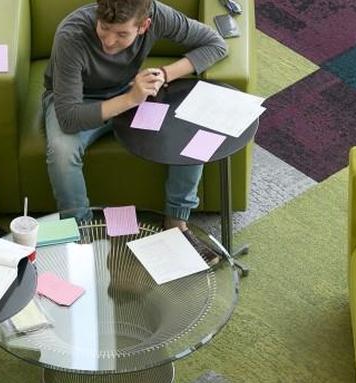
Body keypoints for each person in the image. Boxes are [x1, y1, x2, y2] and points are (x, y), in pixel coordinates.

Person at [45, 0, 227, 263]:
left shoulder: (158, 15)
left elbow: (216, 44)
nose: (108, 41)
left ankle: (176, 222)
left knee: (188, 133)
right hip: (78, 101)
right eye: (104, 27)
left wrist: (164, 74)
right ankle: (79, 230)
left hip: (130, 90)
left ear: (144, 26)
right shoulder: (71, 35)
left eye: (121, 34)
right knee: (62, 151)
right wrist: (131, 99)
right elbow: (69, 118)